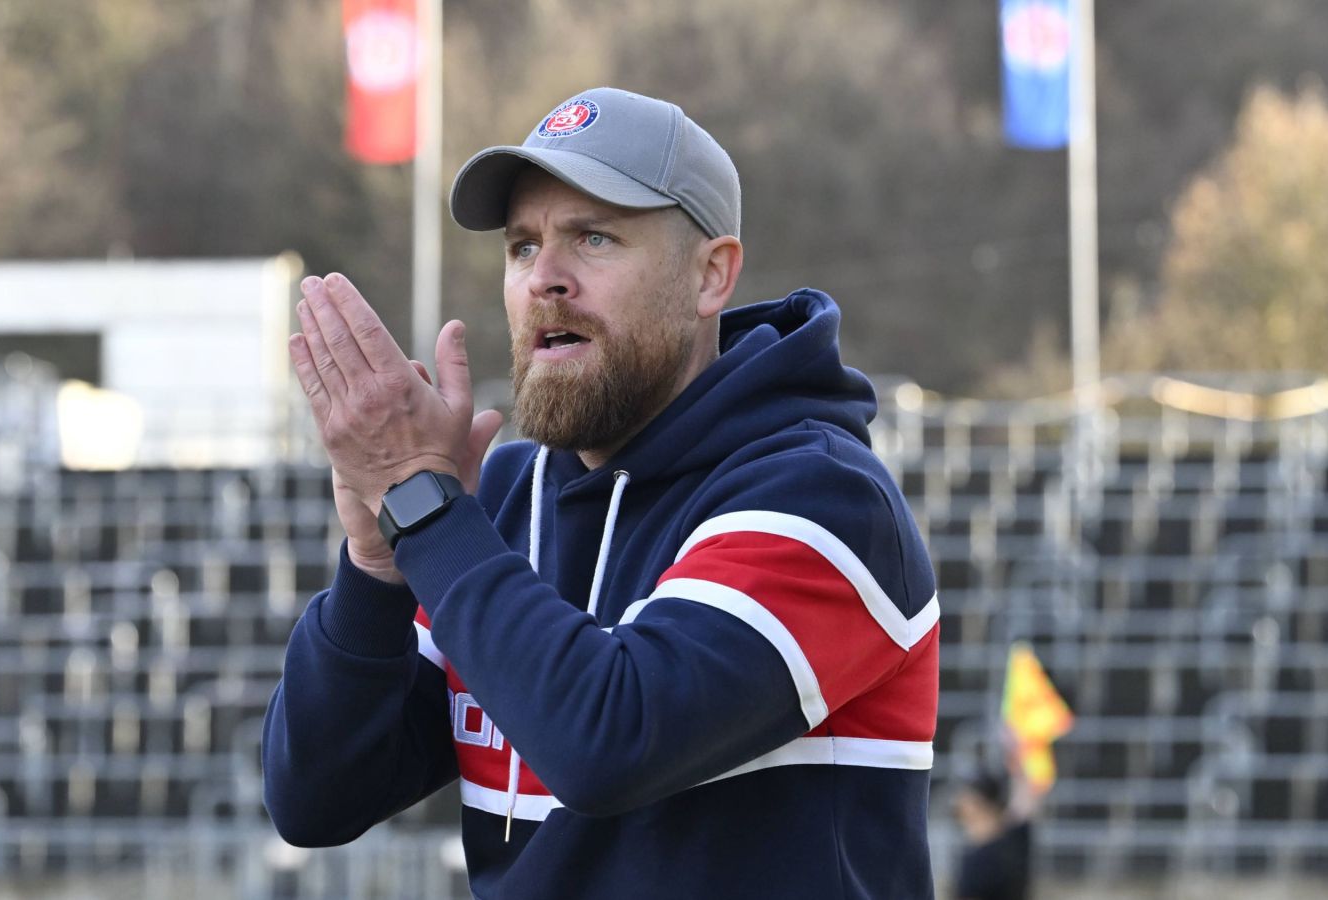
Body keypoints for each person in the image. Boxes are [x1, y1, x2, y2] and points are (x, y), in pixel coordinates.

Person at [261, 87, 940, 899]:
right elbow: (316, 797)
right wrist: (375, 564)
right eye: (520, 247)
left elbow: (612, 739)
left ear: (710, 276)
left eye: (594, 238)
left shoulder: (820, 497)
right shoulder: (496, 502)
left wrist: (421, 504)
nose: (545, 277)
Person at [952, 764, 1035, 900]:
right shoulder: (1015, 840)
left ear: (978, 802)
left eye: (964, 794)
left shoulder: (983, 859)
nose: (958, 800)